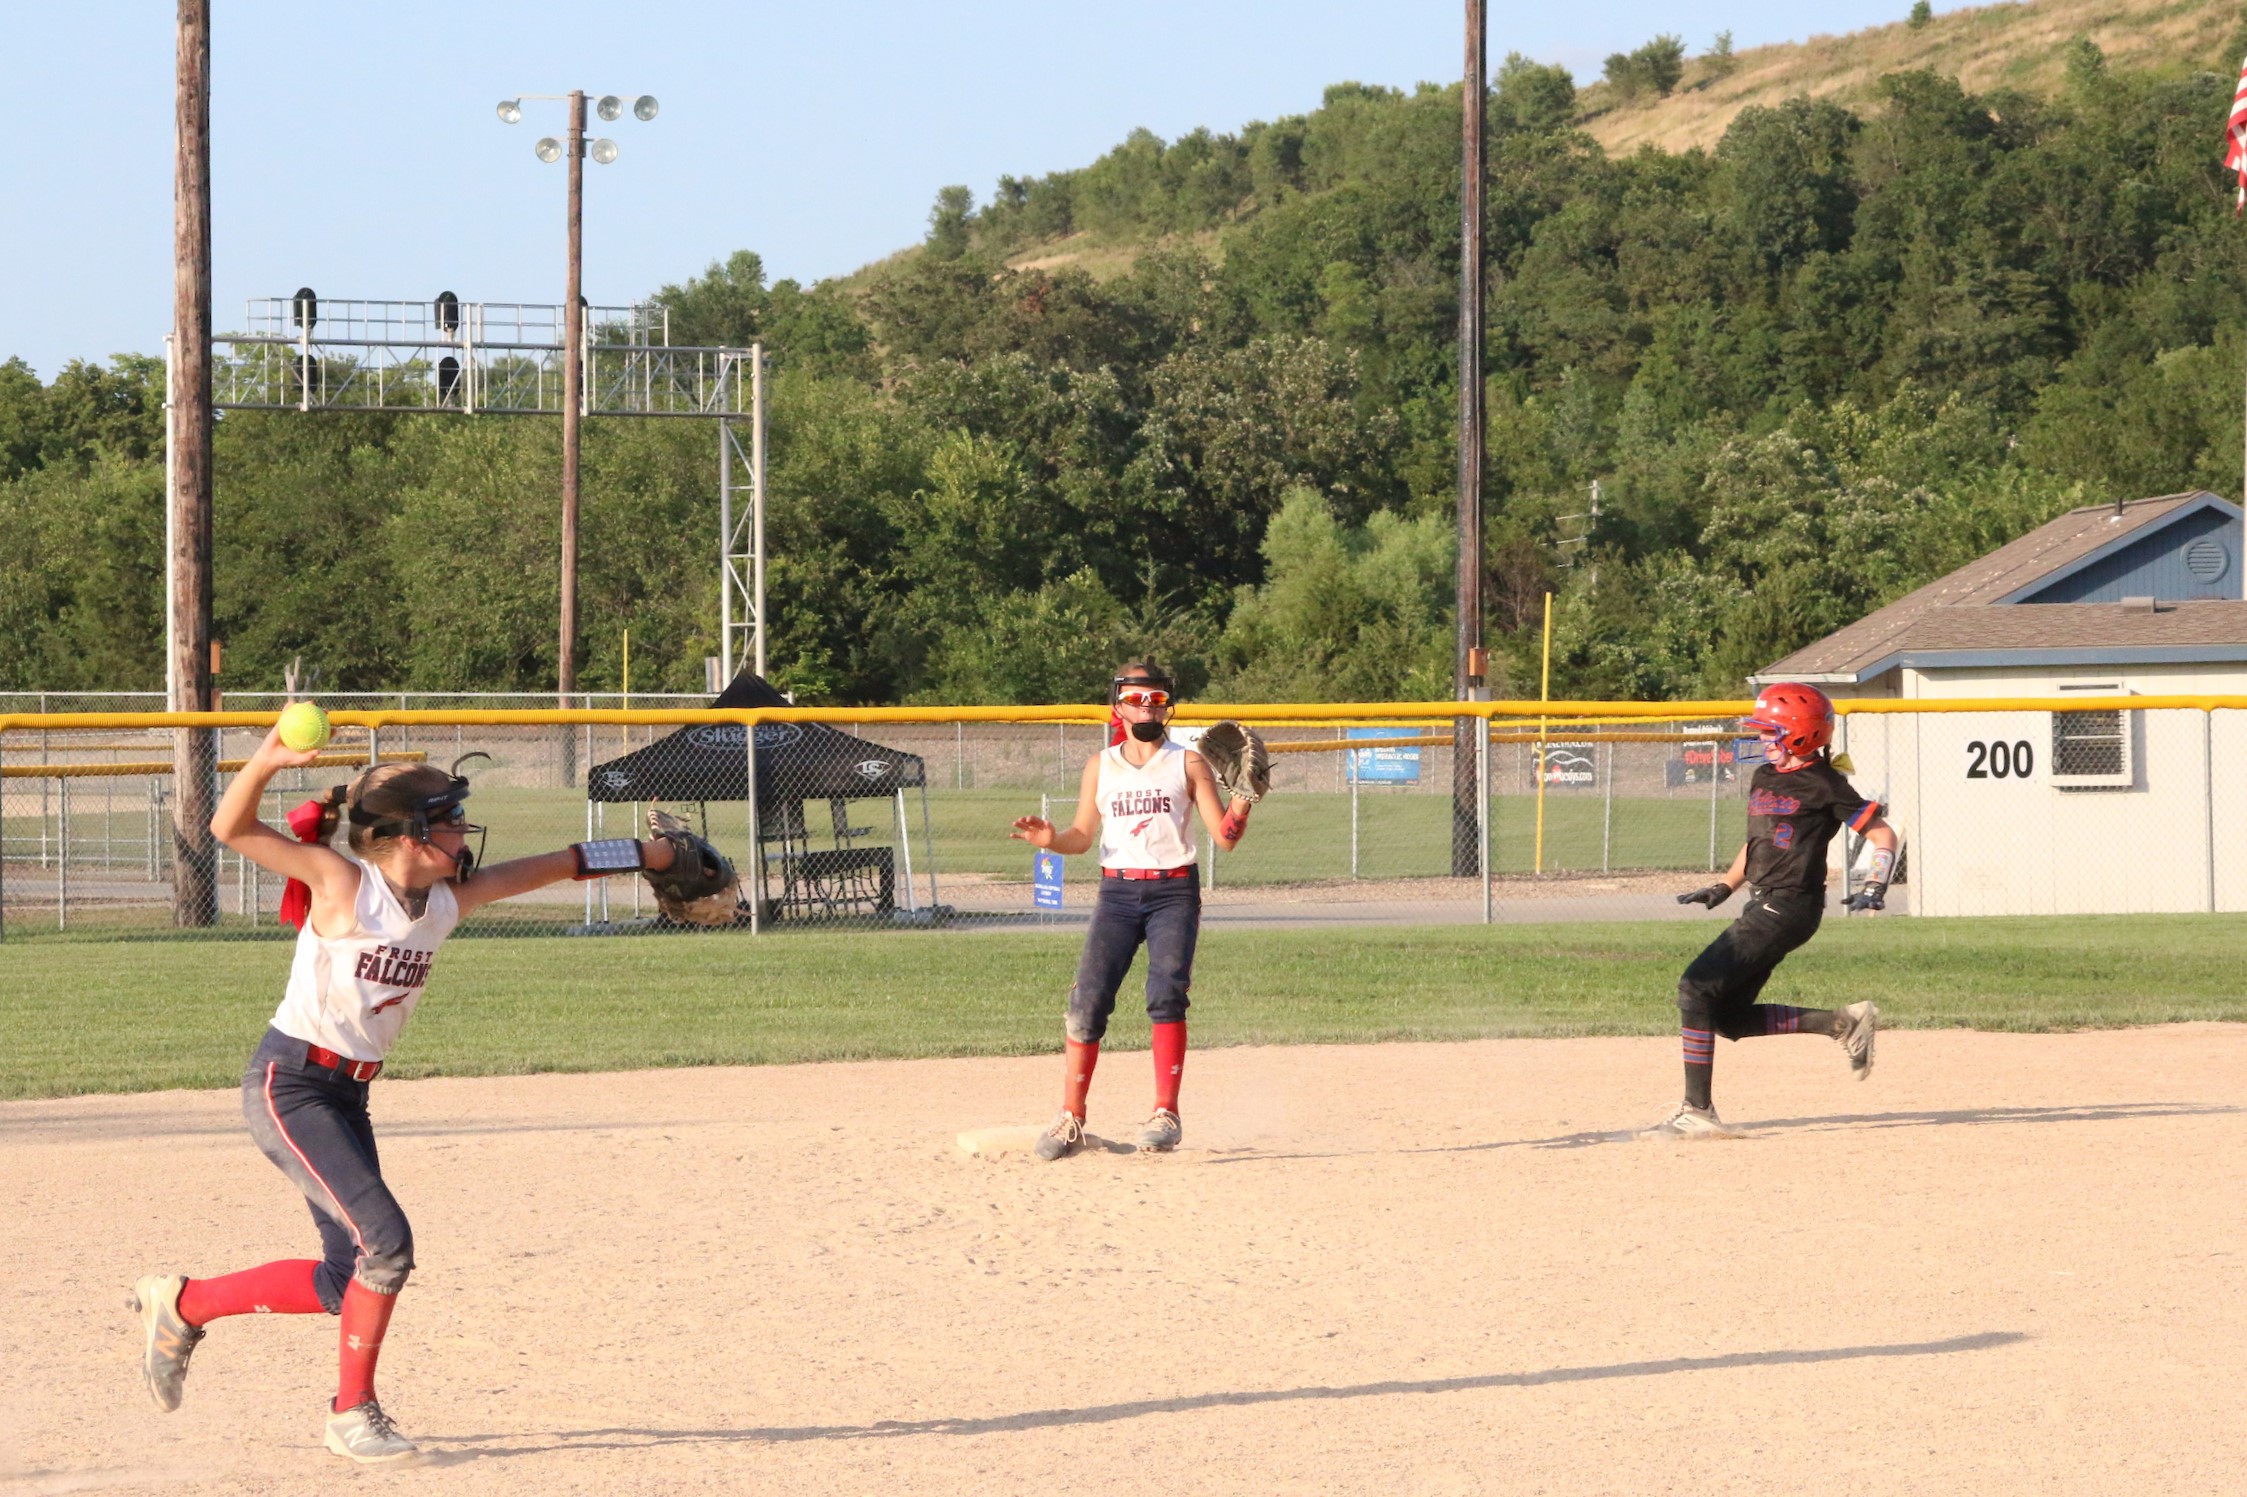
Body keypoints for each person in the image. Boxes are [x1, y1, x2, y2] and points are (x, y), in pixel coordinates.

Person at [128, 724, 694, 1464]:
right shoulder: (344, 885)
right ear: (405, 833)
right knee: (386, 1242)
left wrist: (652, 854)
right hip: (290, 1084)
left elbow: (559, 863)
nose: (464, 832)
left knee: (345, 1276)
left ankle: (184, 1302)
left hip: (346, 1096)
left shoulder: (445, 899)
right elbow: (228, 826)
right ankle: (350, 1413)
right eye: (450, 819)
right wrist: (265, 758)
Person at [1009, 663, 1256, 1160]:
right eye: (1137, 698)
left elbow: (1223, 839)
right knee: (1087, 1002)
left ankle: (1166, 1112)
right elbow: (1080, 837)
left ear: (1168, 706)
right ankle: (1071, 1119)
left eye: (1157, 699)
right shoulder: (1101, 765)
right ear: (1116, 705)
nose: (1147, 706)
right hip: (1117, 894)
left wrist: (1244, 802)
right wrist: (1049, 840)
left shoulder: (1188, 763)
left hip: (1173, 892)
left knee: (1165, 994)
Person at [1646, 682, 1901, 1137]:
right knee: (1727, 1017)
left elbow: (1882, 835)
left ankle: (1697, 1112)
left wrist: (1875, 883)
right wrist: (1725, 886)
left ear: (1800, 734)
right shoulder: (1764, 775)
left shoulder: (1826, 784)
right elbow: (1757, 843)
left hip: (1790, 906)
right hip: (1763, 903)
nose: (1762, 738)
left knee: (1695, 988)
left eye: (1771, 731)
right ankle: (1843, 1023)